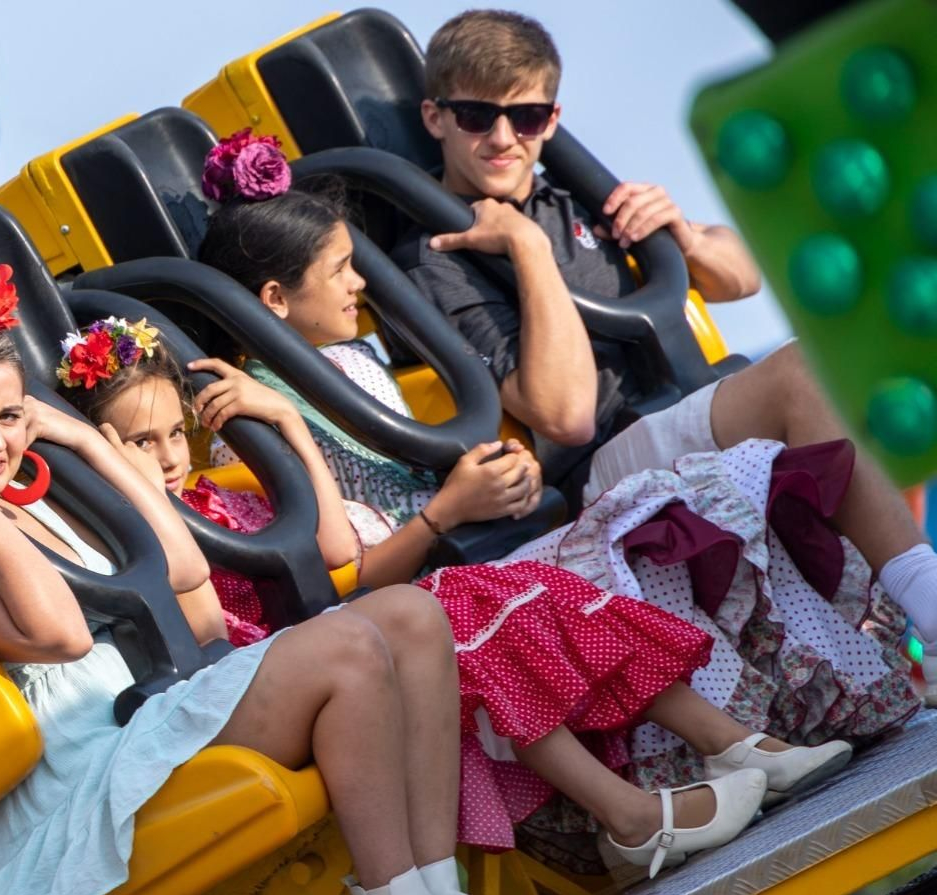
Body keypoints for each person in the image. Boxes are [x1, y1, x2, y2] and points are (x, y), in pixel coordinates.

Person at [0, 249, 573, 895]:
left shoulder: (33, 500)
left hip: (147, 722)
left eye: (11, 415)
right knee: (346, 653)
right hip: (80, 780)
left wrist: (89, 450)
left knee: (410, 615)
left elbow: (184, 568)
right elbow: (57, 631)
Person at [191, 137, 919, 866]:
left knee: (610, 553)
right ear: (276, 300)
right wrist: (447, 509)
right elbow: (339, 575)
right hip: (406, 592)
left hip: (466, 553)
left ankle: (744, 739)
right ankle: (692, 771)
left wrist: (500, 481)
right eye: (340, 271)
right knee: (540, 590)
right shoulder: (252, 418)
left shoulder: (351, 361)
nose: (359, 285)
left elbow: (424, 465)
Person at [60, 316, 843, 871]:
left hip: (341, 635)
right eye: (138, 441)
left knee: (523, 589)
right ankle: (633, 815)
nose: (166, 458)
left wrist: (287, 428)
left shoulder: (219, 501)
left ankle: (732, 744)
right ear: (100, 448)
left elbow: (337, 554)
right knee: (462, 615)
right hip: (279, 680)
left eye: (173, 435)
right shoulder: (132, 539)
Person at [398, 8, 937, 651]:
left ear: (553, 120)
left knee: (839, 375)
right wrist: (528, 251)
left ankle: (900, 634)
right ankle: (929, 609)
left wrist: (682, 235)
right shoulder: (437, 251)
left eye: (528, 117)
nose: (504, 138)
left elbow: (742, 278)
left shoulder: (572, 197)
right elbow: (564, 416)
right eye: (477, 117)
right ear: (436, 119)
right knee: (802, 370)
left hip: (685, 401)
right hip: (596, 464)